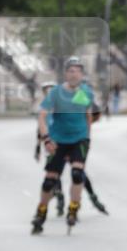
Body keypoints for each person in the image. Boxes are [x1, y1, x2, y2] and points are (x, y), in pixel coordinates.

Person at [31, 56, 95, 233]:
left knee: (77, 173)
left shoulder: (85, 93)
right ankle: (41, 211)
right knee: (49, 182)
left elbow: (88, 115)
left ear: (82, 74)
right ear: (66, 73)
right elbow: (42, 116)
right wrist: (46, 139)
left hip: (79, 139)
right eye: (71, 71)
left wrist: (88, 137)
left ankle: (73, 207)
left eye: (78, 71)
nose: (74, 74)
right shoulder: (56, 93)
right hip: (58, 140)